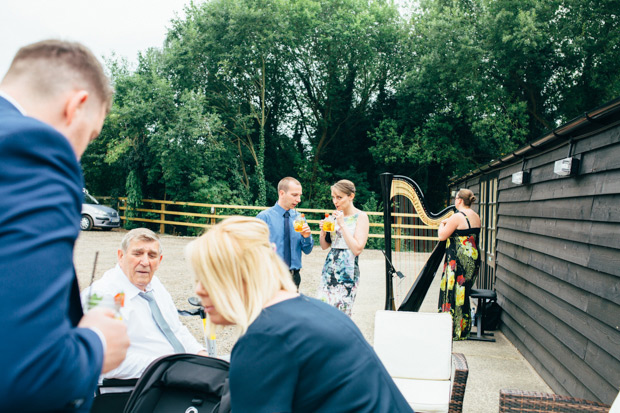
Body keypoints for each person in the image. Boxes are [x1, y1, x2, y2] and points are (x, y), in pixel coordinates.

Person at [0, 40, 129, 412]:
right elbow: (27, 372)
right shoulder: (34, 149)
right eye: (88, 138)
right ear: (76, 106)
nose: (78, 156)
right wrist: (97, 344)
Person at [187, 216, 413, 412]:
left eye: (208, 277)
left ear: (244, 275)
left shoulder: (264, 338)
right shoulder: (314, 309)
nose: (198, 289)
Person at [82, 228, 209, 379]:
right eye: (137, 253)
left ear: (159, 261)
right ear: (121, 256)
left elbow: (176, 329)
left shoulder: (154, 284)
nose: (145, 262)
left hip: (175, 375)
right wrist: (167, 368)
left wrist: (201, 355)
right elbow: (104, 360)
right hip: (138, 388)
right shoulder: (104, 295)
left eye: (152, 255)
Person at [317, 179, 370, 316]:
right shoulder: (335, 216)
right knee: (323, 308)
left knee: (342, 311)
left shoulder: (361, 217)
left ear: (351, 196)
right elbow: (324, 246)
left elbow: (357, 249)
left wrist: (342, 224)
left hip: (347, 268)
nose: (335, 201)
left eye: (339, 197)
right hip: (330, 266)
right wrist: (323, 232)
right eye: (334, 197)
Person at [437, 188, 481, 340]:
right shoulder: (476, 216)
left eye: (456, 198)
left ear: (460, 200)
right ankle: (462, 327)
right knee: (463, 292)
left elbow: (442, 236)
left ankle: (452, 328)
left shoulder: (457, 217)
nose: (454, 201)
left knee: (453, 292)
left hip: (458, 259)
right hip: (473, 259)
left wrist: (442, 224)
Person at [256, 177, 313, 289]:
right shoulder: (264, 217)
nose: (299, 200)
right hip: (270, 277)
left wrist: (306, 237)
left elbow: (307, 250)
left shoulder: (299, 218)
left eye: (300, 195)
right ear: (282, 193)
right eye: (295, 195)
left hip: (294, 277)